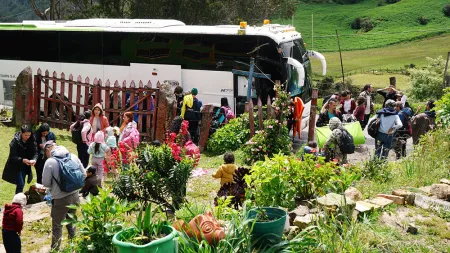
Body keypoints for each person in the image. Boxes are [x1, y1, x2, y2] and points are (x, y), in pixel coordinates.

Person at [42, 141, 85, 250]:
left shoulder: (50, 162)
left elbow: (46, 183)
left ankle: (55, 250)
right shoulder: (73, 157)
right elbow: (83, 174)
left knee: (57, 226)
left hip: (60, 199)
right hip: (75, 196)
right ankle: (73, 247)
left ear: (50, 151)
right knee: (72, 222)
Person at [3, 125, 38, 194]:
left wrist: (34, 159)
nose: (27, 137)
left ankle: (18, 199)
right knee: (20, 184)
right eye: (25, 135)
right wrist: (22, 160)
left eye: (29, 135)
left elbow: (35, 152)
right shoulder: (15, 142)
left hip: (26, 166)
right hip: (17, 166)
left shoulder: (32, 140)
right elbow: (12, 157)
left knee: (22, 184)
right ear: (21, 133)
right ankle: (17, 201)